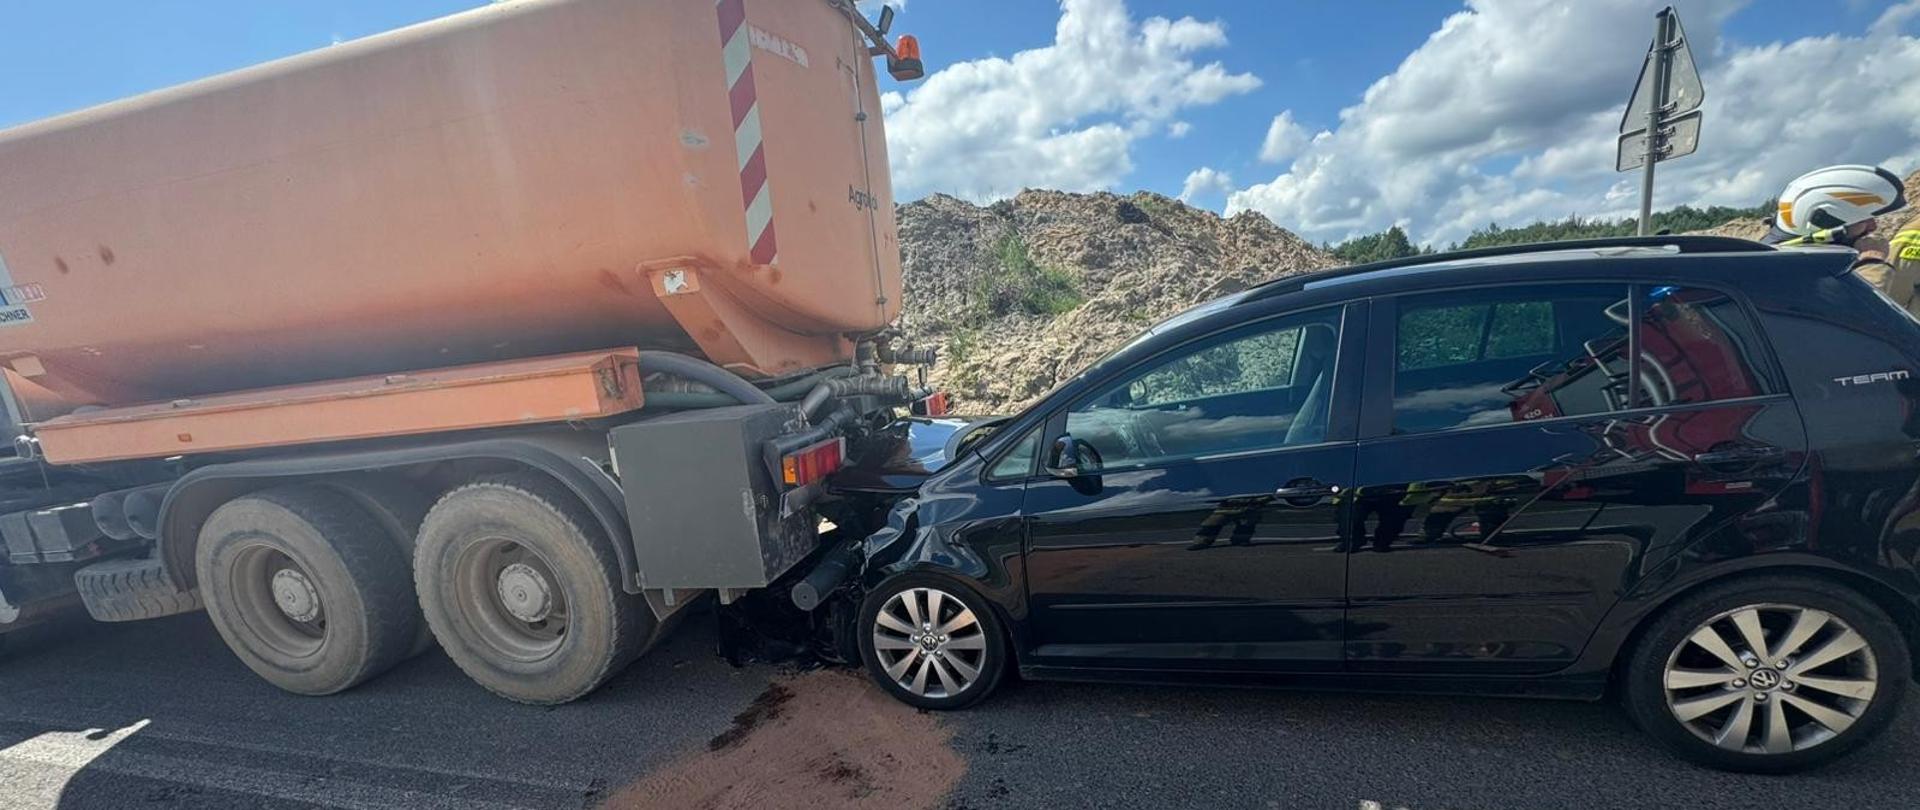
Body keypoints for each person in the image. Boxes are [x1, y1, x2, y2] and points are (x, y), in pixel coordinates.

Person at [1763, 164, 1917, 313]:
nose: (1872, 227)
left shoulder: (1777, 260)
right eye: (1863, 221)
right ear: (1825, 220)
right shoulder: (1789, 273)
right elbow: (1855, 314)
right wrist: (1872, 261)